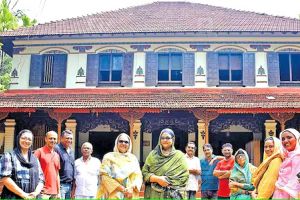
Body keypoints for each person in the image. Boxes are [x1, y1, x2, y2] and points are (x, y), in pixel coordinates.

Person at [142, 128, 189, 199]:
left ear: (172, 139)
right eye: (162, 138)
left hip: (172, 195)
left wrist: (168, 181)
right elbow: (144, 173)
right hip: (154, 194)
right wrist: (157, 179)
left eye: (168, 138)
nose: (165, 140)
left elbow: (184, 177)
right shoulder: (152, 155)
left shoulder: (179, 156)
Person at [0, 129, 44, 199]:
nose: (26, 141)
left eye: (29, 139)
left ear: (32, 142)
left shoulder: (35, 159)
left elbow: (41, 179)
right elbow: (5, 178)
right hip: (13, 196)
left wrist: (35, 193)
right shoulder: (9, 156)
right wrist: (23, 195)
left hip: (33, 197)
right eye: (23, 138)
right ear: (18, 139)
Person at [97, 133, 142, 199]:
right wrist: (123, 189)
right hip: (113, 193)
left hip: (129, 194)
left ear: (129, 144)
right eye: (120, 141)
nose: (123, 143)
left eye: (126, 142)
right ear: (116, 143)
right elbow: (104, 176)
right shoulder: (109, 157)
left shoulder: (133, 158)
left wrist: (131, 188)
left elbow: (138, 176)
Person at [273, 128, 300, 199]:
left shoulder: (297, 156)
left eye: (289, 137)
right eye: (283, 139)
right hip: (280, 192)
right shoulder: (287, 156)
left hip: (288, 194)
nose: (285, 141)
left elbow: (295, 179)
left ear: (297, 139)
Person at [35, 130, 61, 199]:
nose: (52, 140)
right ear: (45, 139)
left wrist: (59, 192)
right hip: (43, 192)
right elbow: (33, 171)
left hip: (54, 192)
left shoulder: (57, 155)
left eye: (54, 139)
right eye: (50, 138)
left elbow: (57, 174)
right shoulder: (39, 152)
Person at [55, 129, 75, 199]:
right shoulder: (56, 149)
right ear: (61, 138)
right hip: (60, 185)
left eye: (71, 138)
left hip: (70, 185)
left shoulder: (71, 150)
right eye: (67, 138)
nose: (69, 140)